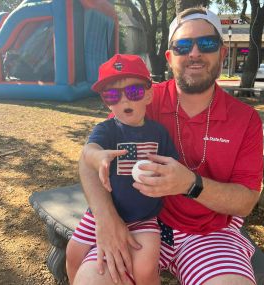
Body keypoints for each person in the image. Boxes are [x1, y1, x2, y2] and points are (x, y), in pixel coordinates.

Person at [74, 6, 263, 285]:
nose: (195, 53)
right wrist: (106, 218)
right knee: (92, 280)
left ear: (222, 53)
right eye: (183, 46)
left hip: (209, 234)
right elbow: (89, 160)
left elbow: (246, 202)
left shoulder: (245, 120)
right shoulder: (140, 99)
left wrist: (190, 184)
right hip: (136, 223)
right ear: (170, 56)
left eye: (207, 43)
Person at [66, 54, 178, 285]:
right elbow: (89, 151)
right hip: (104, 214)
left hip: (144, 216)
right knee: (73, 252)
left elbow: (172, 168)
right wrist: (98, 156)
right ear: (106, 102)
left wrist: (165, 178)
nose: (124, 101)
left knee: (145, 267)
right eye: (113, 95)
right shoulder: (106, 130)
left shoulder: (159, 133)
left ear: (148, 95)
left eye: (134, 92)